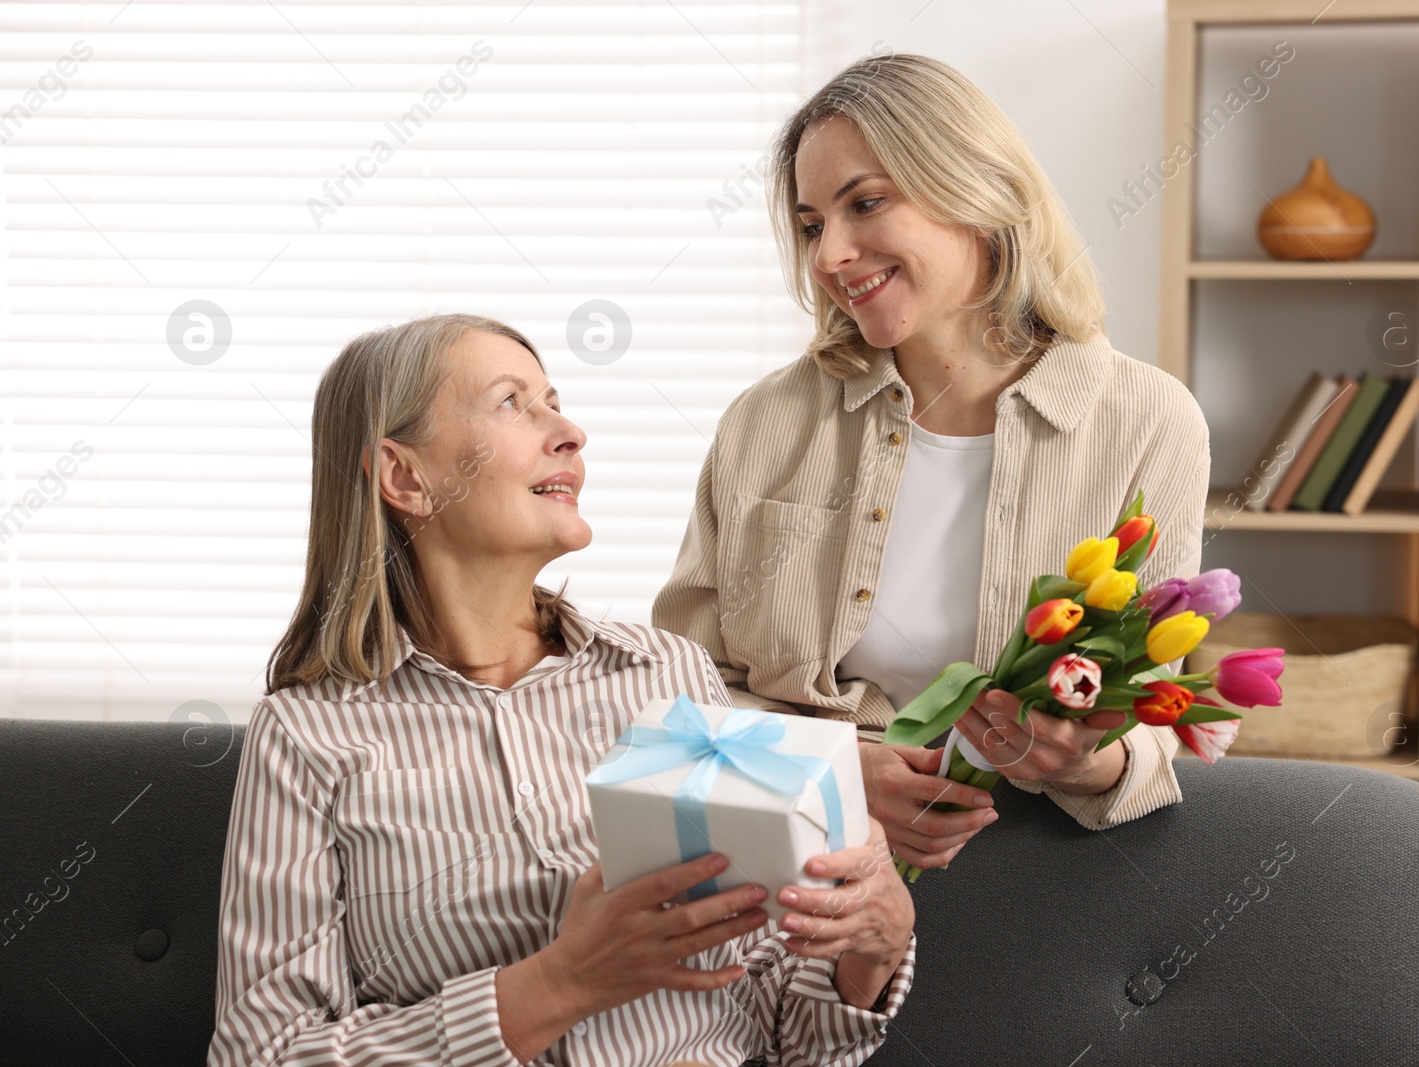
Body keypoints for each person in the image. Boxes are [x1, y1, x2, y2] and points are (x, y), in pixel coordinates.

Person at [208, 314, 915, 1067]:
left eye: (555, 400)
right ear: (404, 476)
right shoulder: (306, 734)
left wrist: (871, 947)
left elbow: (788, 1031)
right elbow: (263, 1054)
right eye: (513, 402)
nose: (570, 431)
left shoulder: (665, 675)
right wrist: (558, 983)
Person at [653, 53, 1210, 874]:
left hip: (1041, 878)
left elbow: (1152, 713)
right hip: (798, 873)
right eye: (811, 226)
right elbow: (681, 696)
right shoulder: (766, 424)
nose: (829, 255)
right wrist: (832, 770)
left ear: (980, 194)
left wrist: (1086, 758)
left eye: (866, 204)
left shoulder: (1149, 423)